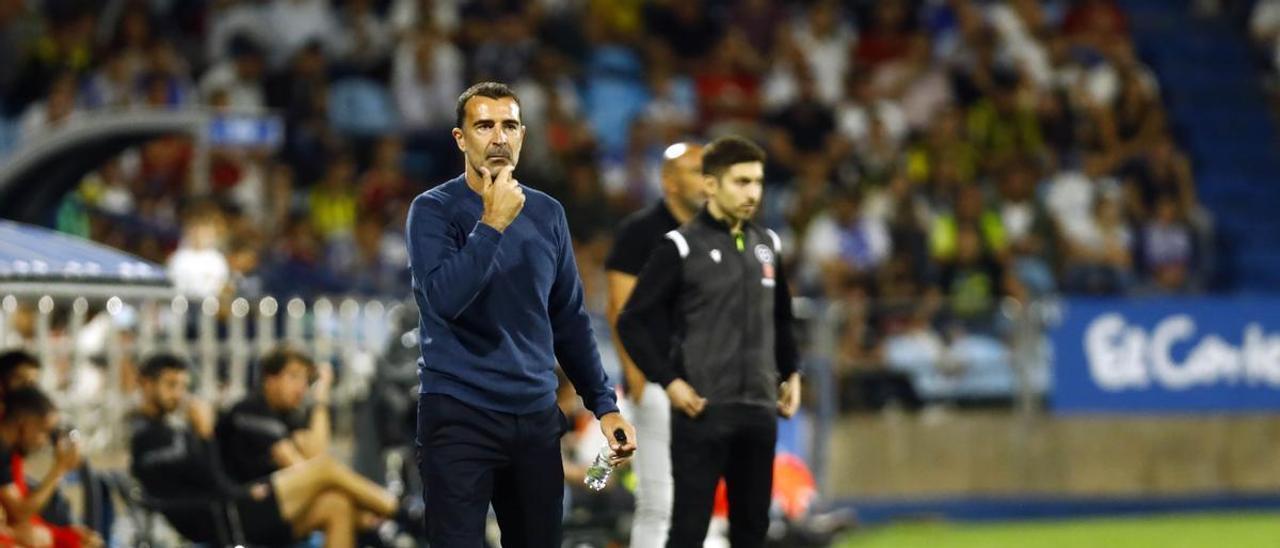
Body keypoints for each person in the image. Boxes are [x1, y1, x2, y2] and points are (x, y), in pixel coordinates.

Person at [406, 81, 636, 547]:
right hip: (458, 414)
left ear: (523, 136)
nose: (499, 137)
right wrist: (492, 224)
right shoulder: (432, 211)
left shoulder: (548, 213)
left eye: (509, 125)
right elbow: (444, 299)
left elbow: (569, 317)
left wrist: (603, 404)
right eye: (484, 125)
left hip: (534, 418)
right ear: (460, 138)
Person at [618, 136, 801, 548]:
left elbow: (782, 317)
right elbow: (632, 321)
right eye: (741, 181)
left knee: (753, 530)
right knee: (688, 529)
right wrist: (670, 382)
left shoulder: (767, 245)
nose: (753, 192)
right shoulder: (680, 246)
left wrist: (792, 372)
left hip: (758, 408)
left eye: (757, 182)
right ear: (712, 185)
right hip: (702, 412)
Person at [130, 354, 397, 548]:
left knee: (336, 506)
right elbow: (209, 482)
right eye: (170, 385)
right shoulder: (147, 437)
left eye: (182, 386)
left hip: (235, 505)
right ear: (145, 384)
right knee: (324, 470)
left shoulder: (170, 431)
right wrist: (206, 436)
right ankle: (400, 511)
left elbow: (314, 449)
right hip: (224, 518)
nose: (179, 395)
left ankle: (392, 517)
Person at [603, 142, 704, 548]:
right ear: (669, 181)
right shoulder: (640, 233)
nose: (707, 180)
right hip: (659, 379)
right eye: (696, 171)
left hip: (705, 379)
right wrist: (636, 374)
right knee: (658, 502)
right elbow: (618, 307)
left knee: (696, 501)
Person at [0, 388, 102, 548]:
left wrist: (63, 536)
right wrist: (59, 468)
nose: (45, 441)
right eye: (43, 431)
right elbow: (19, 513)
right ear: (23, 421)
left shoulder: (7, 454)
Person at [216, 347, 332, 484]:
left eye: (306, 379)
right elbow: (295, 465)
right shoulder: (250, 409)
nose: (302, 387)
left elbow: (316, 452)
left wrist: (320, 399)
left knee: (335, 500)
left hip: (279, 494)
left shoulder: (289, 414)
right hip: (249, 496)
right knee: (329, 478)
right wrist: (327, 474)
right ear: (270, 379)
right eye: (294, 376)